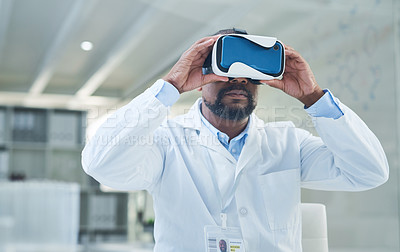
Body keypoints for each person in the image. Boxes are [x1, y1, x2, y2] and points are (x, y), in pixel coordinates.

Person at [81, 28, 389, 252]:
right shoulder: (166, 142)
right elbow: (101, 164)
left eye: (249, 74)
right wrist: (171, 86)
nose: (239, 81)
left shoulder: (288, 142)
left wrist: (314, 97)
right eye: (225, 72)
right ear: (199, 80)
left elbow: (369, 172)